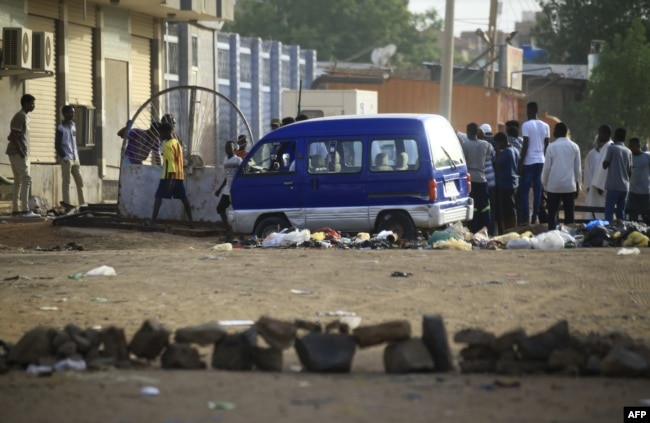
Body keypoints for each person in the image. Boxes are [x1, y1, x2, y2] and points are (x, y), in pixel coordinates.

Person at [147, 122, 194, 227]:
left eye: (161, 133)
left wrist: (169, 180)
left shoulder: (167, 145)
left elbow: (171, 163)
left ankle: (153, 221)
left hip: (168, 176)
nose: (160, 135)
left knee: (158, 196)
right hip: (179, 176)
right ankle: (191, 222)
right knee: (184, 198)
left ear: (166, 132)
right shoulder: (177, 143)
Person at [541, 122, 581, 231]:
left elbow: (547, 168)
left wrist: (544, 184)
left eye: (554, 129)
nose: (553, 132)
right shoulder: (575, 147)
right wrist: (578, 185)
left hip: (554, 186)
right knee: (569, 214)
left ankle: (552, 234)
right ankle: (569, 236)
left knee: (552, 213)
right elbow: (577, 169)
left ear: (558, 132)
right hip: (569, 186)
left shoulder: (551, 147)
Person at [6, 94, 39, 217]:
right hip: (18, 152)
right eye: (31, 103)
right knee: (26, 179)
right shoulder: (21, 116)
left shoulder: (24, 116)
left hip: (15, 152)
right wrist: (21, 152)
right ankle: (25, 210)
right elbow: (14, 135)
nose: (33, 106)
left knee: (18, 181)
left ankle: (16, 209)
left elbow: (11, 135)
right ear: (25, 103)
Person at [519, 102, 550, 225]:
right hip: (541, 161)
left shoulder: (526, 125)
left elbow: (525, 144)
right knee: (538, 190)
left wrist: (521, 162)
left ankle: (526, 218)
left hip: (529, 161)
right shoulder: (546, 126)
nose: (526, 113)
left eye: (527, 111)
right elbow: (547, 145)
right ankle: (535, 216)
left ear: (531, 111)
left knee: (524, 190)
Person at [460, 122, 491, 233]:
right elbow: (491, 154)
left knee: (474, 206)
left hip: (470, 180)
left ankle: (474, 229)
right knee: (485, 206)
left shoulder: (465, 145)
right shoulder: (485, 144)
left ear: (468, 132)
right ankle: (486, 228)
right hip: (482, 179)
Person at [55, 105, 86, 210]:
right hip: (67, 159)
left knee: (80, 182)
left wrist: (77, 156)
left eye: (73, 112)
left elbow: (74, 142)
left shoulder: (73, 126)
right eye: (70, 112)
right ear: (64, 114)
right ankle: (67, 205)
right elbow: (57, 144)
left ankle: (82, 204)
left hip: (75, 158)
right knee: (66, 182)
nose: (72, 114)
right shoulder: (60, 127)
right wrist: (64, 157)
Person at [602, 127, 633, 223]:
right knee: (620, 212)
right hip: (624, 187)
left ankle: (609, 232)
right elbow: (630, 171)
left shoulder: (611, 148)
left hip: (613, 186)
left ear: (615, 137)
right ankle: (621, 233)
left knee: (609, 212)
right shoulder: (628, 151)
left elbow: (605, 165)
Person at [584, 125, 613, 220]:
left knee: (604, 211)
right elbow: (588, 171)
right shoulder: (592, 154)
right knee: (591, 212)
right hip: (594, 187)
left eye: (600, 133)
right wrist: (588, 186)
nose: (599, 135)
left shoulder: (610, 148)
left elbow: (606, 170)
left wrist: (602, 185)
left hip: (604, 188)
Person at [494, 131, 520, 231]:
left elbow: (498, 165)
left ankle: (510, 228)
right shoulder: (515, 150)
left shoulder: (505, 152)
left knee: (508, 209)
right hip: (514, 183)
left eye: (497, 143)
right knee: (512, 207)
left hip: (506, 184)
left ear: (501, 142)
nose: (497, 146)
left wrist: (497, 153)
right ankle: (513, 227)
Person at [215, 141, 243, 233]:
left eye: (229, 148)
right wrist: (219, 189)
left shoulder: (238, 160)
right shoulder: (225, 160)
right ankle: (227, 229)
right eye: (226, 148)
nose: (227, 149)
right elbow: (226, 177)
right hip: (227, 189)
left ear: (234, 149)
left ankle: (240, 230)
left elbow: (242, 174)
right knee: (220, 208)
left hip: (236, 189)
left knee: (238, 210)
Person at [479, 126, 498, 235]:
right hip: (491, 182)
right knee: (492, 208)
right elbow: (494, 159)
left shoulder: (474, 145)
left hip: (481, 182)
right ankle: (491, 231)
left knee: (482, 208)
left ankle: (482, 230)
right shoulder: (489, 146)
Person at [626, 137, 650, 221]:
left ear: (638, 146)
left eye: (632, 146)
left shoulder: (647, 156)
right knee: (632, 216)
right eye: (629, 146)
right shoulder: (629, 157)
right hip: (632, 193)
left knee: (647, 216)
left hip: (645, 193)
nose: (630, 148)